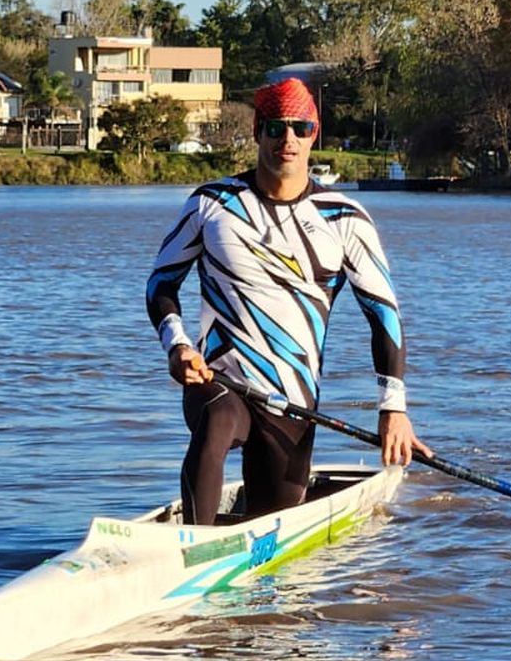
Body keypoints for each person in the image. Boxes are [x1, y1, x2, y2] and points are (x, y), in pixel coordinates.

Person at [146, 70, 421, 523]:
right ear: (258, 132)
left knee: (275, 515)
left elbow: (383, 315)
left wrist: (394, 408)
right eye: (275, 127)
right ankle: (191, 549)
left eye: (301, 127)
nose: (287, 138)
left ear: (315, 135)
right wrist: (177, 345)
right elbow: (160, 284)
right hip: (220, 382)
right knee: (216, 419)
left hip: (291, 403)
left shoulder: (344, 218)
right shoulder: (211, 204)